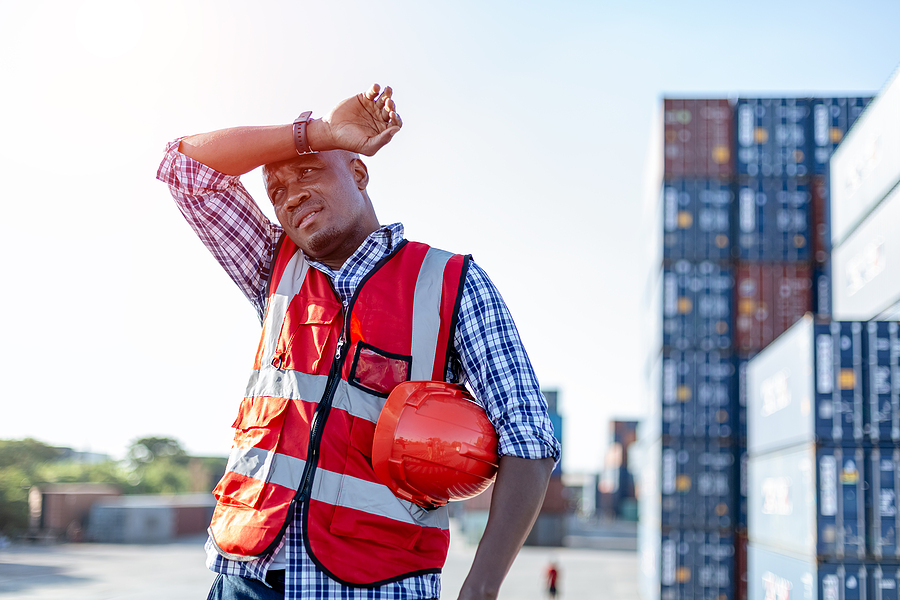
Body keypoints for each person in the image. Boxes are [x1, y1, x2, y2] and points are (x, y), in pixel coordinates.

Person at [157, 83, 560, 600]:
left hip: (376, 585)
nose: (291, 195)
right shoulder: (272, 270)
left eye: (307, 171)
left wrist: (480, 589)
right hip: (245, 580)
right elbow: (185, 168)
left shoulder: (451, 283)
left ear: (359, 172)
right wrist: (317, 135)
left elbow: (527, 436)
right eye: (276, 192)